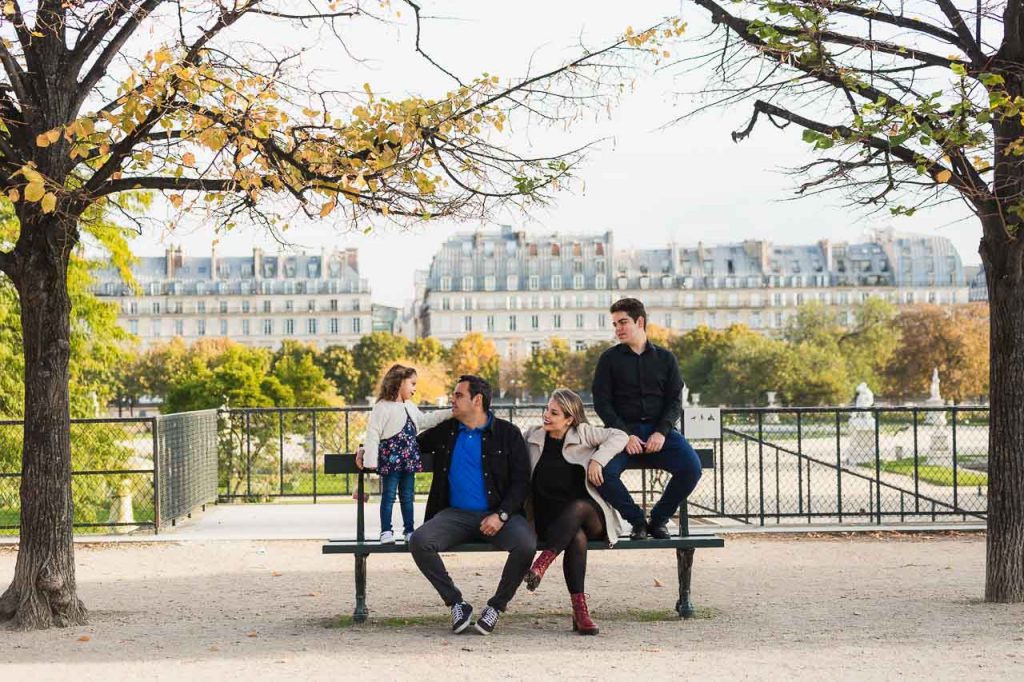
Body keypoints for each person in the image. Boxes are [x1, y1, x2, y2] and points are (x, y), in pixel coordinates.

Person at [409, 375, 535, 636]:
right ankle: (456, 603)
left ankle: (496, 607)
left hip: (499, 515)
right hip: (454, 515)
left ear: (477, 400)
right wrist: (369, 450)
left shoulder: (508, 434)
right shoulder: (447, 431)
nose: (451, 400)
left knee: (526, 544)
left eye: (458, 395)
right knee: (420, 541)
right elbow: (408, 447)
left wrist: (500, 515)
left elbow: (521, 482)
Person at [591, 297, 703, 540]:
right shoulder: (608, 360)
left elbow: (675, 401)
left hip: (659, 433)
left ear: (639, 321)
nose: (618, 329)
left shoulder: (666, 359)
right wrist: (625, 434)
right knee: (601, 474)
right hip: (621, 434)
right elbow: (602, 403)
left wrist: (662, 432)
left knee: (692, 468)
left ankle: (659, 519)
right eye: (614, 324)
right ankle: (637, 520)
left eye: (623, 322)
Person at [522, 388, 628, 635]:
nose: (546, 415)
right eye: (546, 409)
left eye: (554, 412)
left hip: (591, 515)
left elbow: (620, 436)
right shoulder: (533, 438)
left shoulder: (583, 433)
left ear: (569, 419)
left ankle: (542, 563)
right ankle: (580, 612)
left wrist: (597, 460)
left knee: (578, 509)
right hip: (552, 520)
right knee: (575, 536)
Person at [357, 364, 452, 544]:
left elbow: (425, 420)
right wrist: (370, 460)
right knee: (389, 496)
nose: (415, 388)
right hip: (391, 460)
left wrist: (448, 413)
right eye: (412, 384)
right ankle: (386, 531)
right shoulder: (382, 407)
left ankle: (409, 531)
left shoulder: (409, 405)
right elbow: (373, 434)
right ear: (399, 382)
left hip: (409, 460)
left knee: (408, 496)